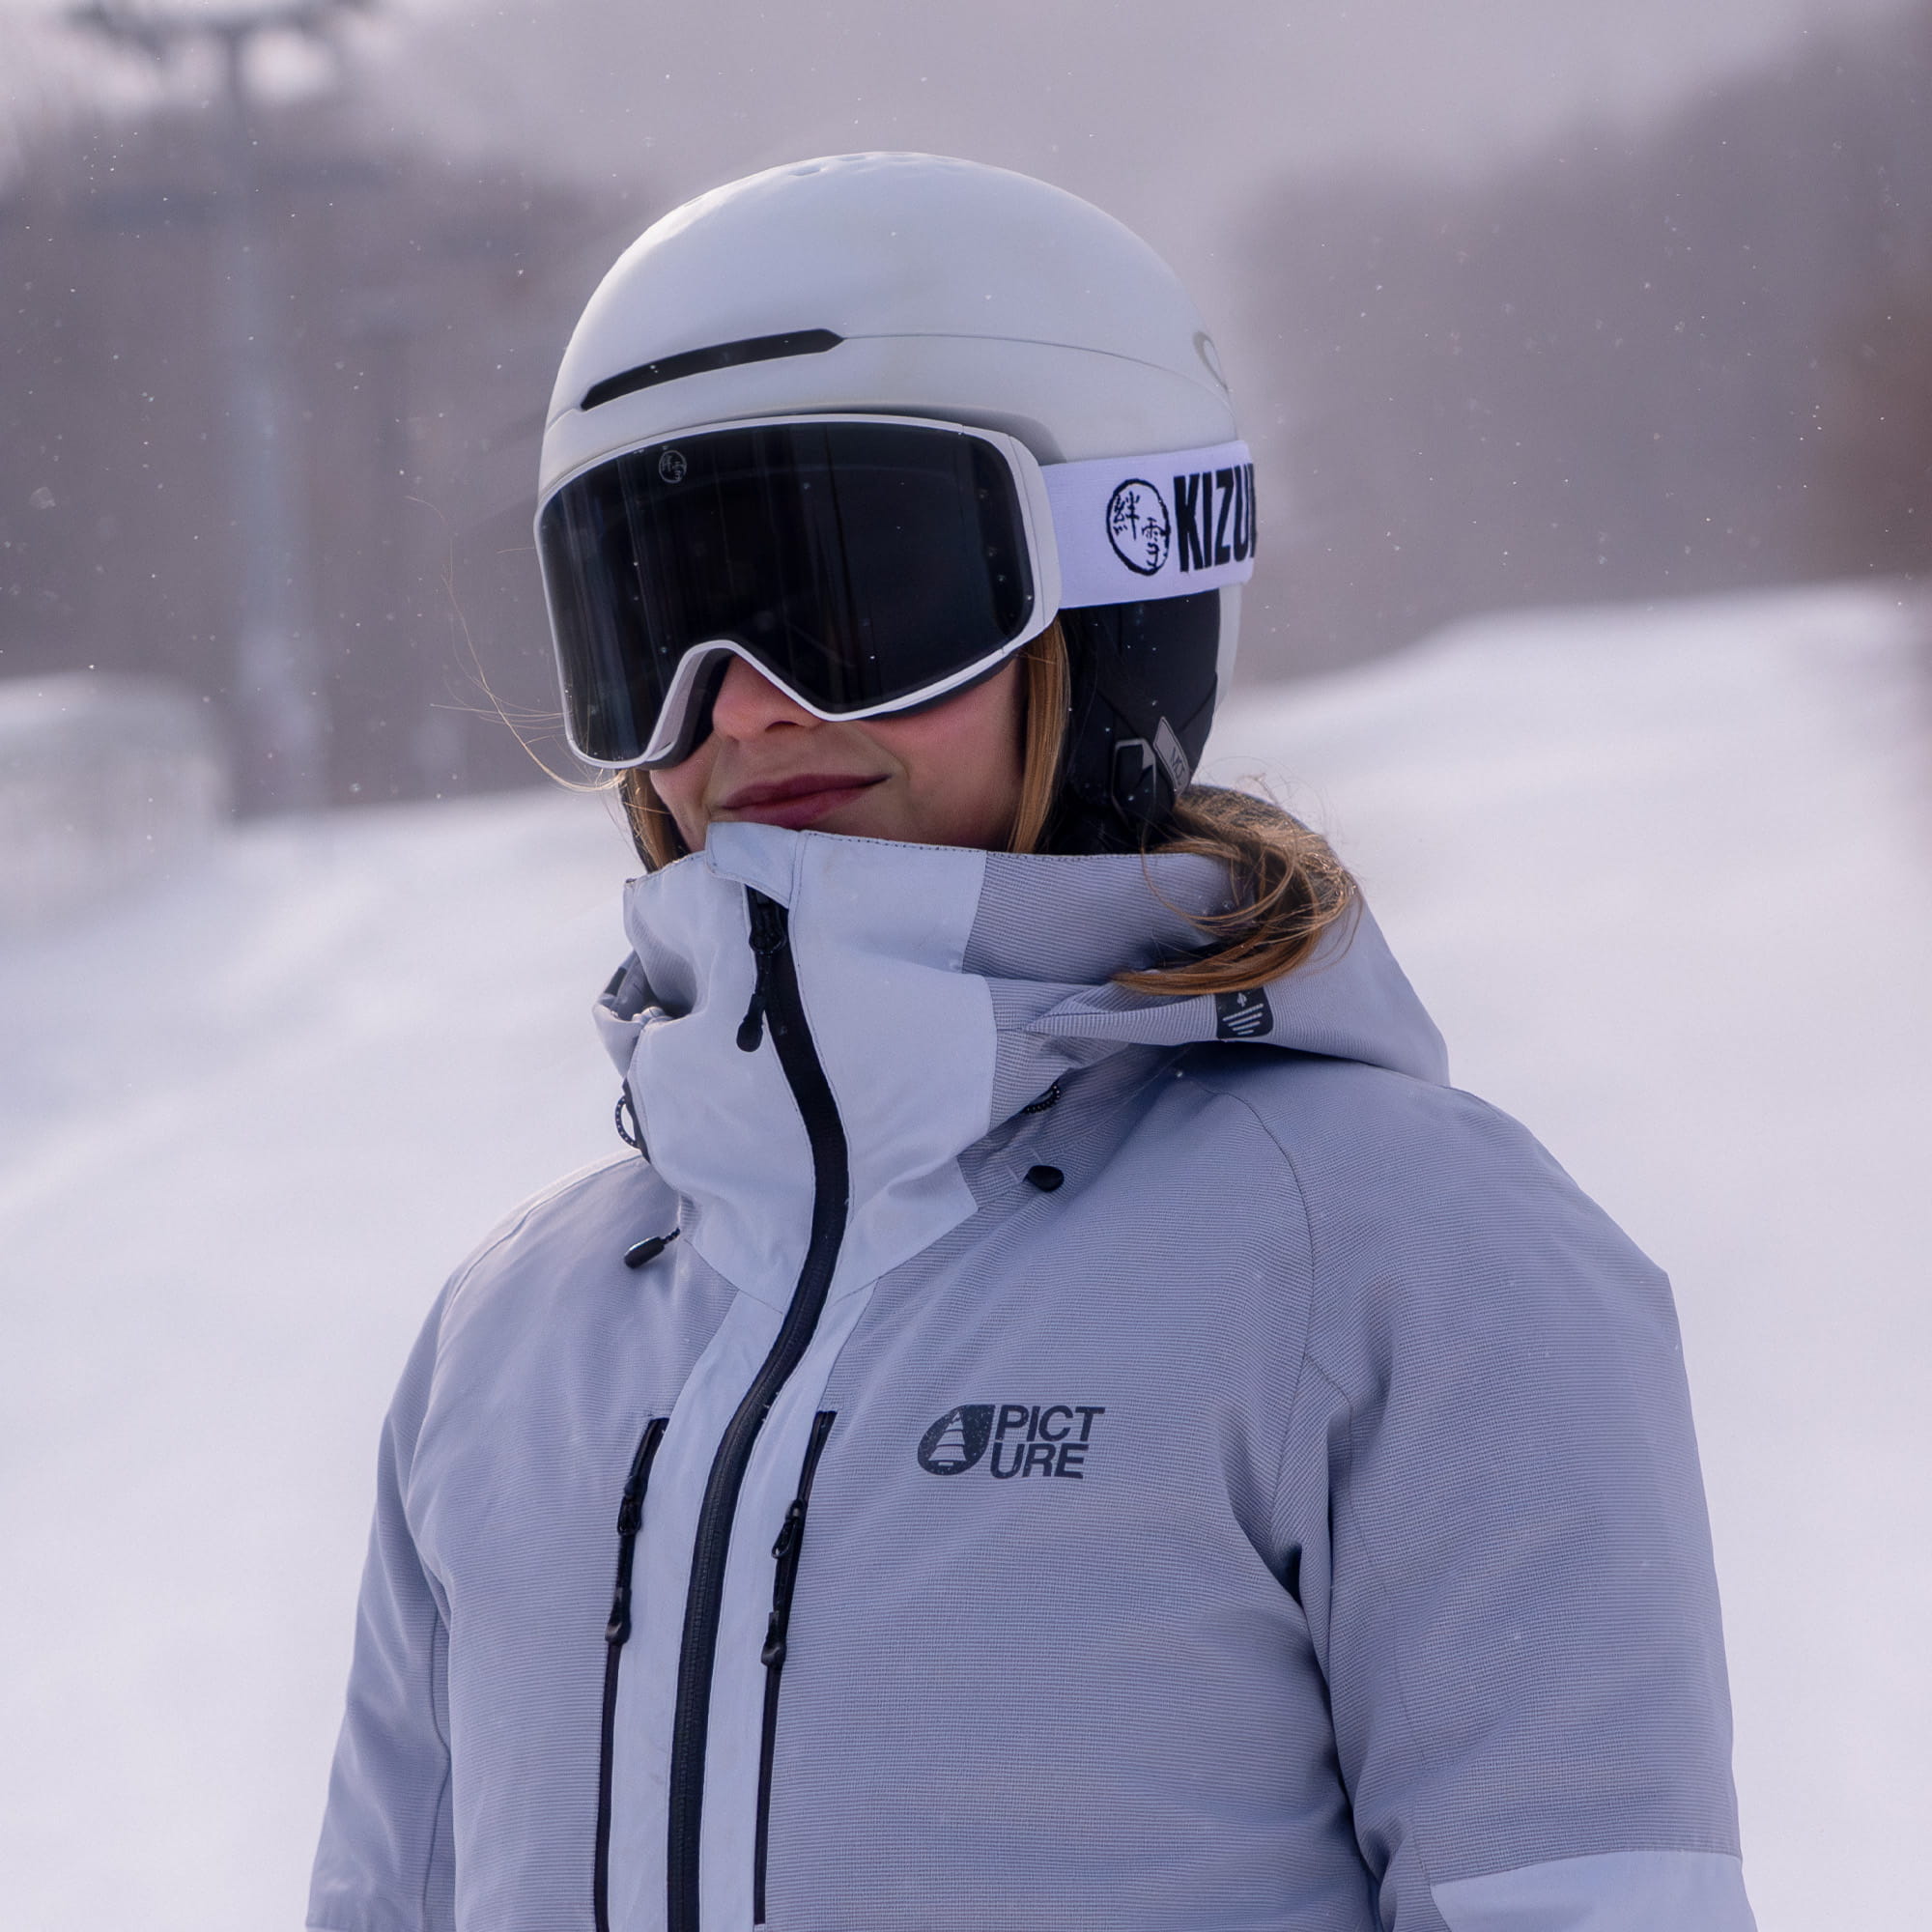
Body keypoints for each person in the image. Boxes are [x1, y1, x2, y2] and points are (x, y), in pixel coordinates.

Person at [308, 154, 1756, 1932]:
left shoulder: (1399, 1251)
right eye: (652, 627)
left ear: (1117, 588)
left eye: (852, 591)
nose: (746, 705)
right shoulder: (514, 1337)